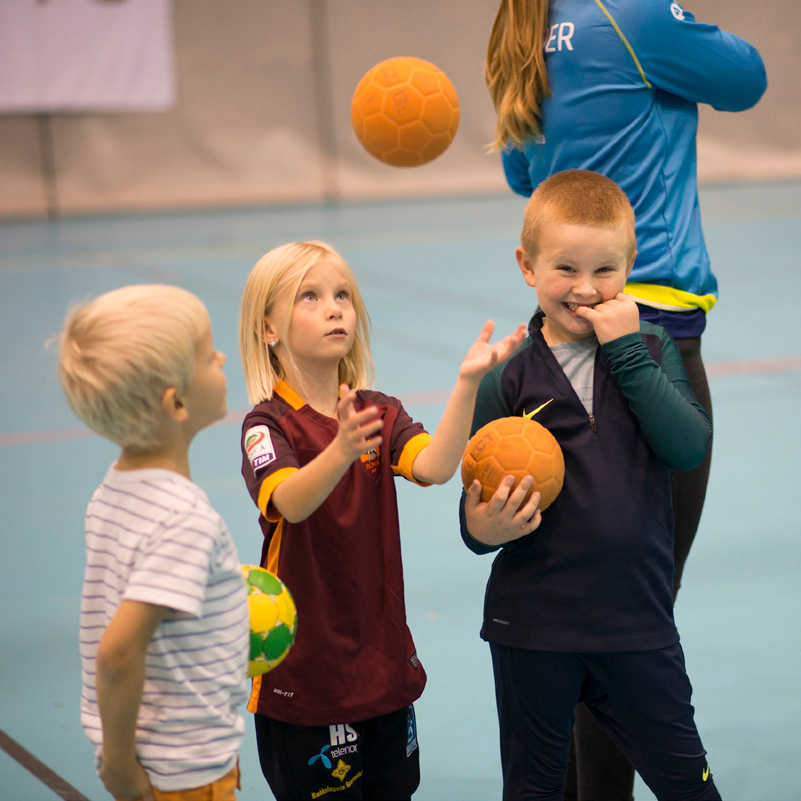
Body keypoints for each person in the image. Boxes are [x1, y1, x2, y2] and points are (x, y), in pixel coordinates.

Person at [484, 2, 766, 797]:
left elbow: (521, 173)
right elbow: (747, 78)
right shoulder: (635, 11)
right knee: (628, 618)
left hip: (558, 326)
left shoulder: (524, 24)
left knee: (586, 607)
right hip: (641, 330)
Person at [237, 240, 527, 801]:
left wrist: (467, 383)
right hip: (307, 679)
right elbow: (291, 501)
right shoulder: (266, 425)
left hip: (383, 671)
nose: (334, 307)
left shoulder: (379, 410)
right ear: (267, 329)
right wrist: (342, 450)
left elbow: (436, 466)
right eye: (310, 297)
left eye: (343, 294)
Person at [459, 170, 717, 801]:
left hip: (638, 628)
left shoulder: (652, 348)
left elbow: (688, 446)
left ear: (631, 265)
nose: (584, 289)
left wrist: (626, 351)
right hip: (534, 632)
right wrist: (480, 528)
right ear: (526, 265)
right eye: (565, 269)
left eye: (605, 270)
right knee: (535, 791)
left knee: (689, 784)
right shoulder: (509, 379)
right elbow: (473, 513)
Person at [57, 284, 250, 801]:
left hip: (165, 754)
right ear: (177, 402)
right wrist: (120, 769)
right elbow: (119, 651)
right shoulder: (184, 520)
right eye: (208, 354)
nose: (222, 357)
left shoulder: (113, 490)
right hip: (181, 772)